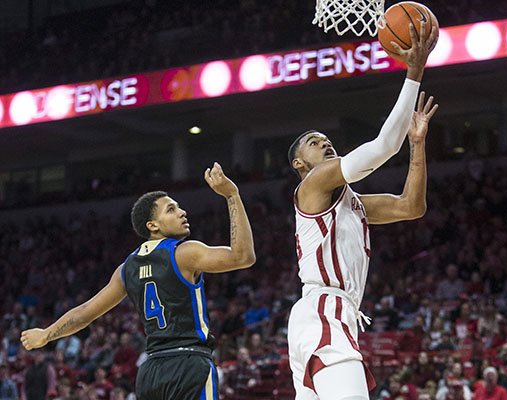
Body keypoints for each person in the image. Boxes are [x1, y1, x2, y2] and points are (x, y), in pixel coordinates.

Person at [286, 20, 438, 400]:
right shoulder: (314, 184)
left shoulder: (349, 203)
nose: (325, 143)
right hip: (325, 309)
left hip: (332, 314)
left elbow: (410, 207)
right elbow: (384, 146)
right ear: (300, 165)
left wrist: (416, 144)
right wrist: (413, 74)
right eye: (314, 143)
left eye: (327, 140)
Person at [20, 162, 256, 400]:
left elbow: (84, 313)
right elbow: (243, 257)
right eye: (171, 209)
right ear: (152, 225)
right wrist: (232, 195)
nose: (182, 212)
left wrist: (46, 334)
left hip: (150, 371)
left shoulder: (126, 268)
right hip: (188, 363)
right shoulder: (184, 252)